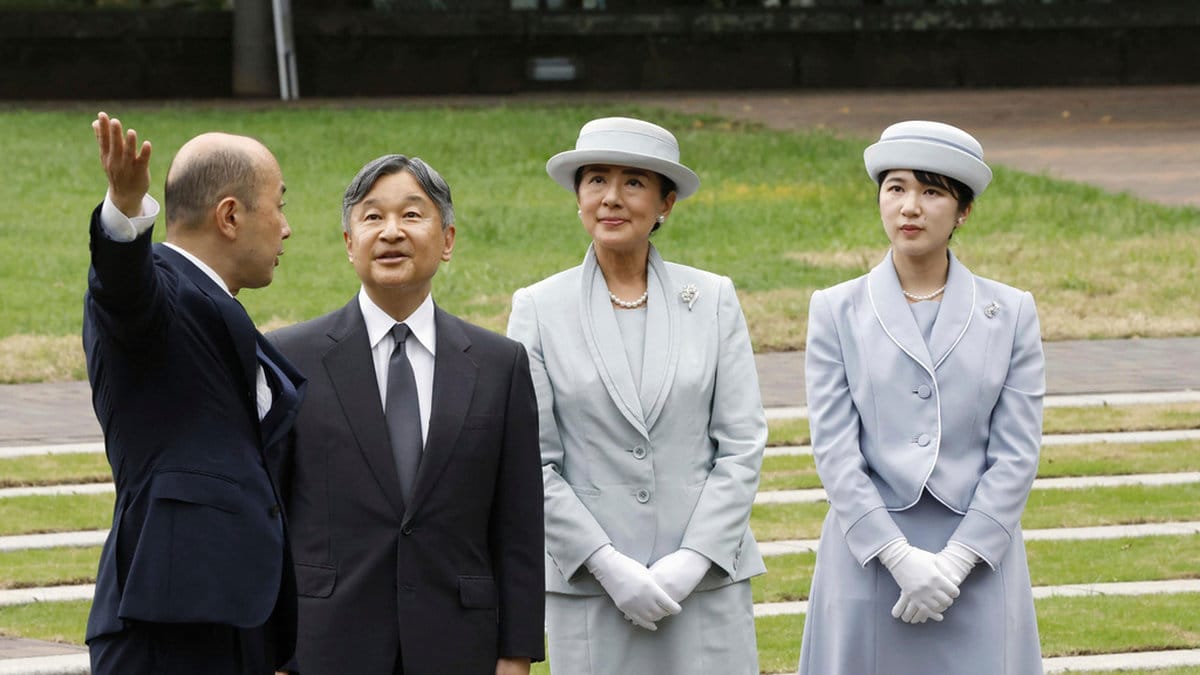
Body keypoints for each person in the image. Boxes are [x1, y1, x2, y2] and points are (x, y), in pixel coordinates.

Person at [506, 117, 768, 674]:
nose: (611, 198)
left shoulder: (713, 299)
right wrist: (606, 564)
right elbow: (532, 462)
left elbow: (742, 444)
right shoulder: (538, 309)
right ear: (578, 196)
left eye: (633, 182)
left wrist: (693, 559)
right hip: (592, 589)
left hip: (706, 586)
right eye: (596, 180)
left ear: (665, 203)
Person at [267, 154, 544, 675]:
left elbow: (520, 524)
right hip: (325, 644)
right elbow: (271, 513)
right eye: (372, 217)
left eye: (412, 215)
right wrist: (273, 655)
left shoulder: (499, 365)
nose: (391, 231)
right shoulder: (290, 357)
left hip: (459, 645)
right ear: (349, 243)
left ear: (447, 240)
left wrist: (517, 652)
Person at [798, 120, 1045, 674]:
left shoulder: (1010, 313)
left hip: (978, 559)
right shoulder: (836, 310)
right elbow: (835, 451)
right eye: (896, 188)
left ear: (963, 211)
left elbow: (1017, 454)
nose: (910, 207)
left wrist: (957, 561)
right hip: (868, 557)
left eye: (932, 191)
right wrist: (896, 556)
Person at [83, 112, 306, 675]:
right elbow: (122, 287)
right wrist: (124, 212)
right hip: (167, 630)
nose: (285, 228)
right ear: (229, 215)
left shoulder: (220, 307)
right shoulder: (156, 293)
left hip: (237, 623)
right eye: (279, 205)